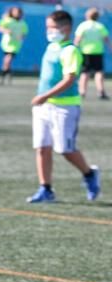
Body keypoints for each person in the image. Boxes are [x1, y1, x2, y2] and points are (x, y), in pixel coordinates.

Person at [28, 10, 101, 204]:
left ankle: (89, 174)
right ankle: (46, 189)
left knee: (65, 149)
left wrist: (45, 96)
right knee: (42, 148)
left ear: (65, 28)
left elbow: (69, 79)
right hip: (44, 107)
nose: (49, 31)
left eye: (51, 27)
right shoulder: (52, 47)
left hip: (65, 108)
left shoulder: (70, 50)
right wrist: (43, 99)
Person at [75, 7, 111, 99]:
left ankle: (82, 91)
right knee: (99, 72)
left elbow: (77, 39)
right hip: (98, 52)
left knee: (84, 72)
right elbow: (107, 40)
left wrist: (74, 48)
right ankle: (101, 91)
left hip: (85, 52)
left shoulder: (83, 26)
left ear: (87, 15)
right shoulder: (100, 26)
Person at [0, 6, 27, 85]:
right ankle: (8, 75)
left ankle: (2, 78)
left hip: (15, 45)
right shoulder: (8, 21)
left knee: (7, 61)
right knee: (6, 63)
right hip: (6, 44)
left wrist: (21, 37)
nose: (17, 13)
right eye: (15, 12)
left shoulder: (22, 23)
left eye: (18, 12)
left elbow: (24, 34)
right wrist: (6, 30)